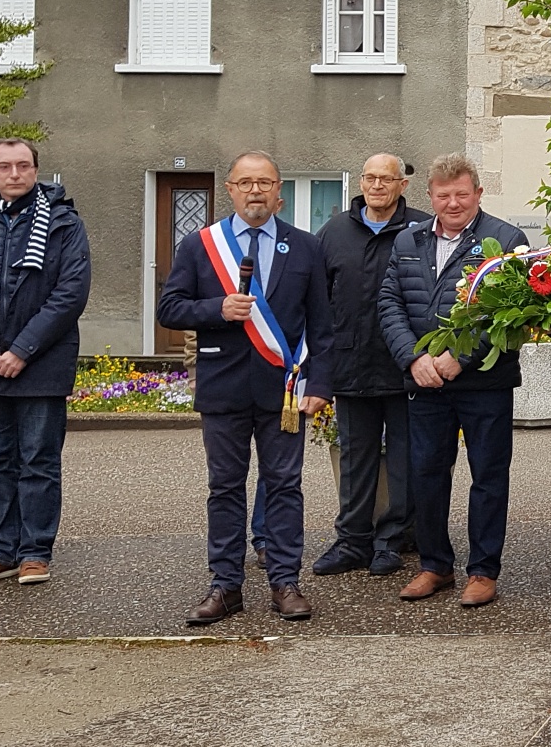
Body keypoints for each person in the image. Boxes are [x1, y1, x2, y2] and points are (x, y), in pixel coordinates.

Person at [159, 150, 333, 625]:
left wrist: (320, 382)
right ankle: (225, 586)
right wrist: (216, 309)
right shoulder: (200, 246)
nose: (255, 190)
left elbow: (322, 323)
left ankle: (284, 580)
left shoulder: (305, 247)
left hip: (285, 391)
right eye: (245, 182)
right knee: (224, 488)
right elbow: (170, 309)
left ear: (279, 193)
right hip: (223, 387)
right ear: (230, 190)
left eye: (265, 183)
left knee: (284, 485)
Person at [378, 155, 528, 609]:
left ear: (478, 194)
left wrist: (458, 358)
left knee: (488, 477)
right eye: (444, 196)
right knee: (425, 474)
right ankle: (434, 565)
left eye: (462, 194)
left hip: (485, 382)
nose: (453, 203)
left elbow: (509, 311)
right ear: (430, 197)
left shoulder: (505, 240)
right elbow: (389, 303)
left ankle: (483, 571)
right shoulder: (408, 239)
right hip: (425, 383)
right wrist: (413, 358)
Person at [0, 139, 91, 588]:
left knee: (39, 462)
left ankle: (34, 553)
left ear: (36, 170)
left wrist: (21, 350)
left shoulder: (64, 224)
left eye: (22, 166)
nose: (13, 174)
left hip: (40, 366)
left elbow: (69, 295)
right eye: (4, 167)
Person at [310, 155, 427, 578]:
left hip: (404, 365)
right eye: (370, 178)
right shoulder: (336, 231)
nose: (377, 185)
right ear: (361, 182)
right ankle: (351, 541)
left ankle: (391, 541)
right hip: (351, 363)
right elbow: (317, 298)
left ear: (402, 185)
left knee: (404, 459)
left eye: (386, 179)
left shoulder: (420, 230)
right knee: (355, 457)